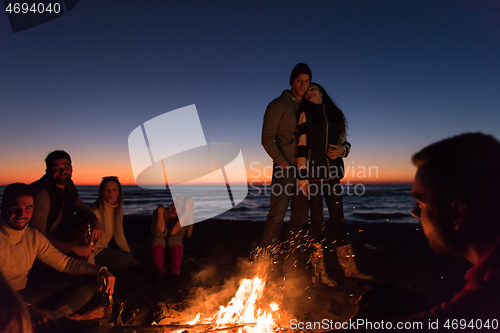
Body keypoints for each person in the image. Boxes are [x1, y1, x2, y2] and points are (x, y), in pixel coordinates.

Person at [326, 132, 500, 331]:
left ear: (457, 214)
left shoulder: (491, 293)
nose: (414, 212)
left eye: (421, 203)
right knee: (380, 298)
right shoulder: (489, 269)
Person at [0, 183, 115, 320]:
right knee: (27, 315)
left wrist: (101, 271)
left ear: (33, 209)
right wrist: (25, 307)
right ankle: (73, 318)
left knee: (93, 282)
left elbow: (65, 263)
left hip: (24, 294)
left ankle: (58, 317)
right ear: (3, 207)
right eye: (15, 208)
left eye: (28, 209)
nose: (22, 215)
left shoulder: (33, 236)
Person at [297, 83, 370, 285]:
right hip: (313, 176)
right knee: (318, 222)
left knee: (339, 221)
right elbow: (301, 146)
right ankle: (319, 273)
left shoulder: (336, 115)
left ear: (322, 93)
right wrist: (302, 176)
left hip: (334, 175)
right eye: (308, 91)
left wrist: (341, 150)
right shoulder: (305, 114)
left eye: (314, 89)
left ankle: (350, 270)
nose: (310, 92)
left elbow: (346, 143)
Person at [260, 62, 311, 248]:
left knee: (299, 220)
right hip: (285, 170)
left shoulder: (308, 108)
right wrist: (284, 165)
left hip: (305, 172)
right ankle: (265, 265)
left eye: (306, 81)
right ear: (291, 81)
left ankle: (291, 268)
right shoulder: (277, 104)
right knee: (276, 217)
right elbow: (267, 139)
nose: (302, 85)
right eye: (299, 80)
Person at [30, 150, 102, 257]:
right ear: (48, 170)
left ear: (71, 168)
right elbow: (37, 235)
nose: (62, 172)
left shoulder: (68, 186)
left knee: (88, 228)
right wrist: (72, 247)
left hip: (61, 234)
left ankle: (86, 261)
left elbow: (82, 209)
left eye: (66, 167)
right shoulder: (43, 193)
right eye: (56, 168)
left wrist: (95, 220)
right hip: (45, 244)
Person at [89, 176, 134, 274]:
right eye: (107, 190)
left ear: (118, 193)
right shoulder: (95, 213)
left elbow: (119, 236)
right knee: (128, 257)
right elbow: (87, 244)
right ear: (101, 193)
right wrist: (92, 268)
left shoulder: (117, 212)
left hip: (104, 249)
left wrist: (130, 256)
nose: (110, 193)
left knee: (132, 248)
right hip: (94, 255)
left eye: (114, 190)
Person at [151, 196, 194, 276]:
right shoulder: (160, 212)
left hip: (170, 254)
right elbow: (160, 233)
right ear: (172, 203)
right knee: (159, 238)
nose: (176, 209)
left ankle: (175, 270)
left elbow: (173, 232)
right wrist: (160, 212)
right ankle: (160, 270)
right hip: (154, 251)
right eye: (176, 205)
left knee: (176, 238)